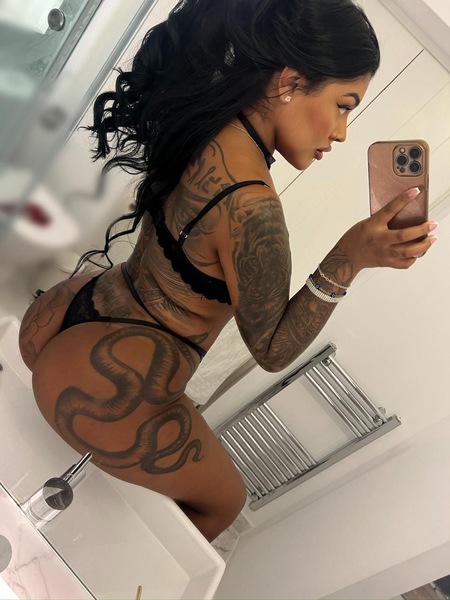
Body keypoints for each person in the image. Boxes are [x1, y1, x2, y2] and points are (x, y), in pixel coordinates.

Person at [18, 0, 436, 542]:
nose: (342, 132)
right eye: (342, 105)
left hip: (65, 311)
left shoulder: (208, 121)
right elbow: (272, 351)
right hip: (107, 379)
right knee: (225, 505)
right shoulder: (253, 208)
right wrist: (349, 257)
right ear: (290, 82)